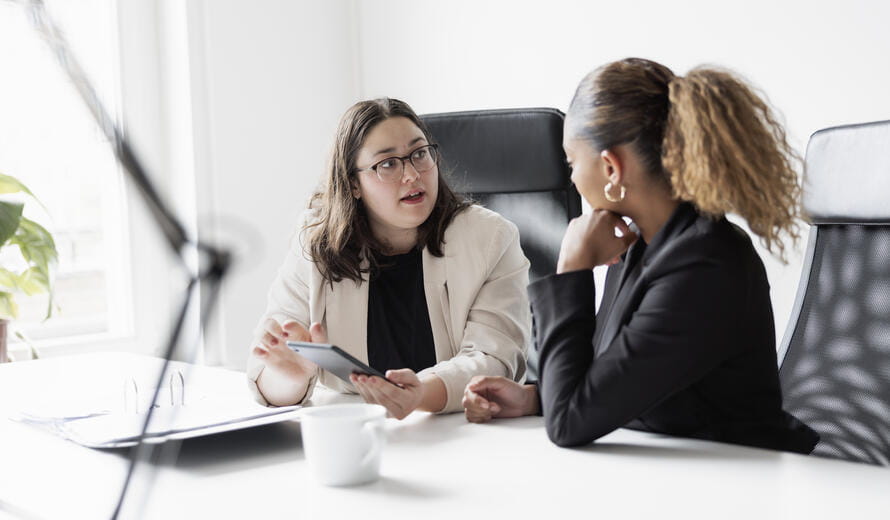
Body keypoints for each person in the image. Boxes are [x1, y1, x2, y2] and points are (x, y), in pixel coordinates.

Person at [462, 58, 819, 453]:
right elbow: (617, 381)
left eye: (571, 162)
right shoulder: (646, 243)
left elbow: (569, 423)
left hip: (742, 482)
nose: (573, 179)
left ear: (611, 167)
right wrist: (535, 398)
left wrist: (571, 269)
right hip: (682, 471)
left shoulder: (705, 265)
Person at [247, 98, 531, 419]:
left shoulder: (490, 238)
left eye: (419, 154)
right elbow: (270, 380)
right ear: (353, 183)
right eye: (388, 164)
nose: (411, 174)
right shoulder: (316, 244)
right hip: (357, 431)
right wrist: (291, 375)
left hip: (462, 430)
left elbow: (494, 358)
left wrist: (420, 394)